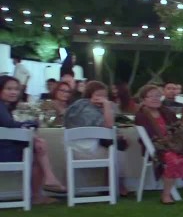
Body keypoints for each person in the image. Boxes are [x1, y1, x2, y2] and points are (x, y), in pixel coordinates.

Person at [0, 75, 66, 203]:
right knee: (38, 144)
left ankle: (42, 188)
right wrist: (32, 123)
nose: (13, 92)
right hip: (3, 152)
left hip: (5, 147)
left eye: (16, 89)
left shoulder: (5, 107)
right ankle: (46, 183)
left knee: (37, 146)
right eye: (9, 89)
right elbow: (9, 125)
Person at [63, 80, 129, 197]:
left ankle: (112, 184)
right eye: (99, 95)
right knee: (119, 147)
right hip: (86, 150)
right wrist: (107, 105)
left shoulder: (76, 106)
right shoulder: (88, 109)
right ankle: (117, 184)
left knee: (117, 143)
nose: (102, 99)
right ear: (90, 95)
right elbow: (108, 126)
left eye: (105, 96)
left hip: (72, 149)